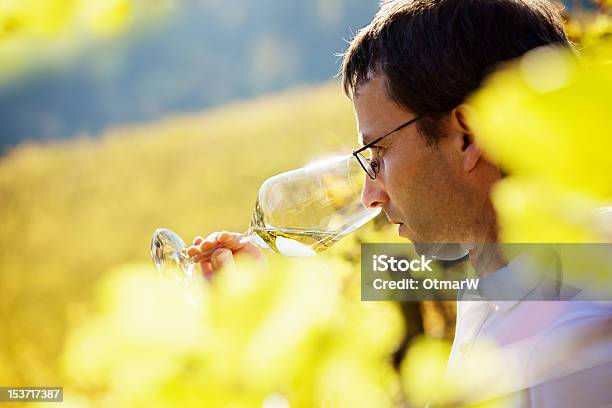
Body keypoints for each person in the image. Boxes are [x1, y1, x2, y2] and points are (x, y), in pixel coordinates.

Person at [188, 0, 612, 406]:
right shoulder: (504, 292)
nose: (371, 196)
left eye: (380, 154)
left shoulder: (571, 351)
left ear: (468, 135)